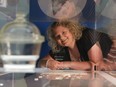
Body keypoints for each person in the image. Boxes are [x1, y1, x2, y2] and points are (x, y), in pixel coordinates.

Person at [37, 20, 113, 71]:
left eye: (64, 32)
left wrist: (64, 64)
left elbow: (97, 66)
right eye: (58, 36)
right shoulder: (61, 50)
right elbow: (40, 63)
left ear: (72, 30)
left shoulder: (88, 35)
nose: (62, 38)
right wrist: (47, 63)